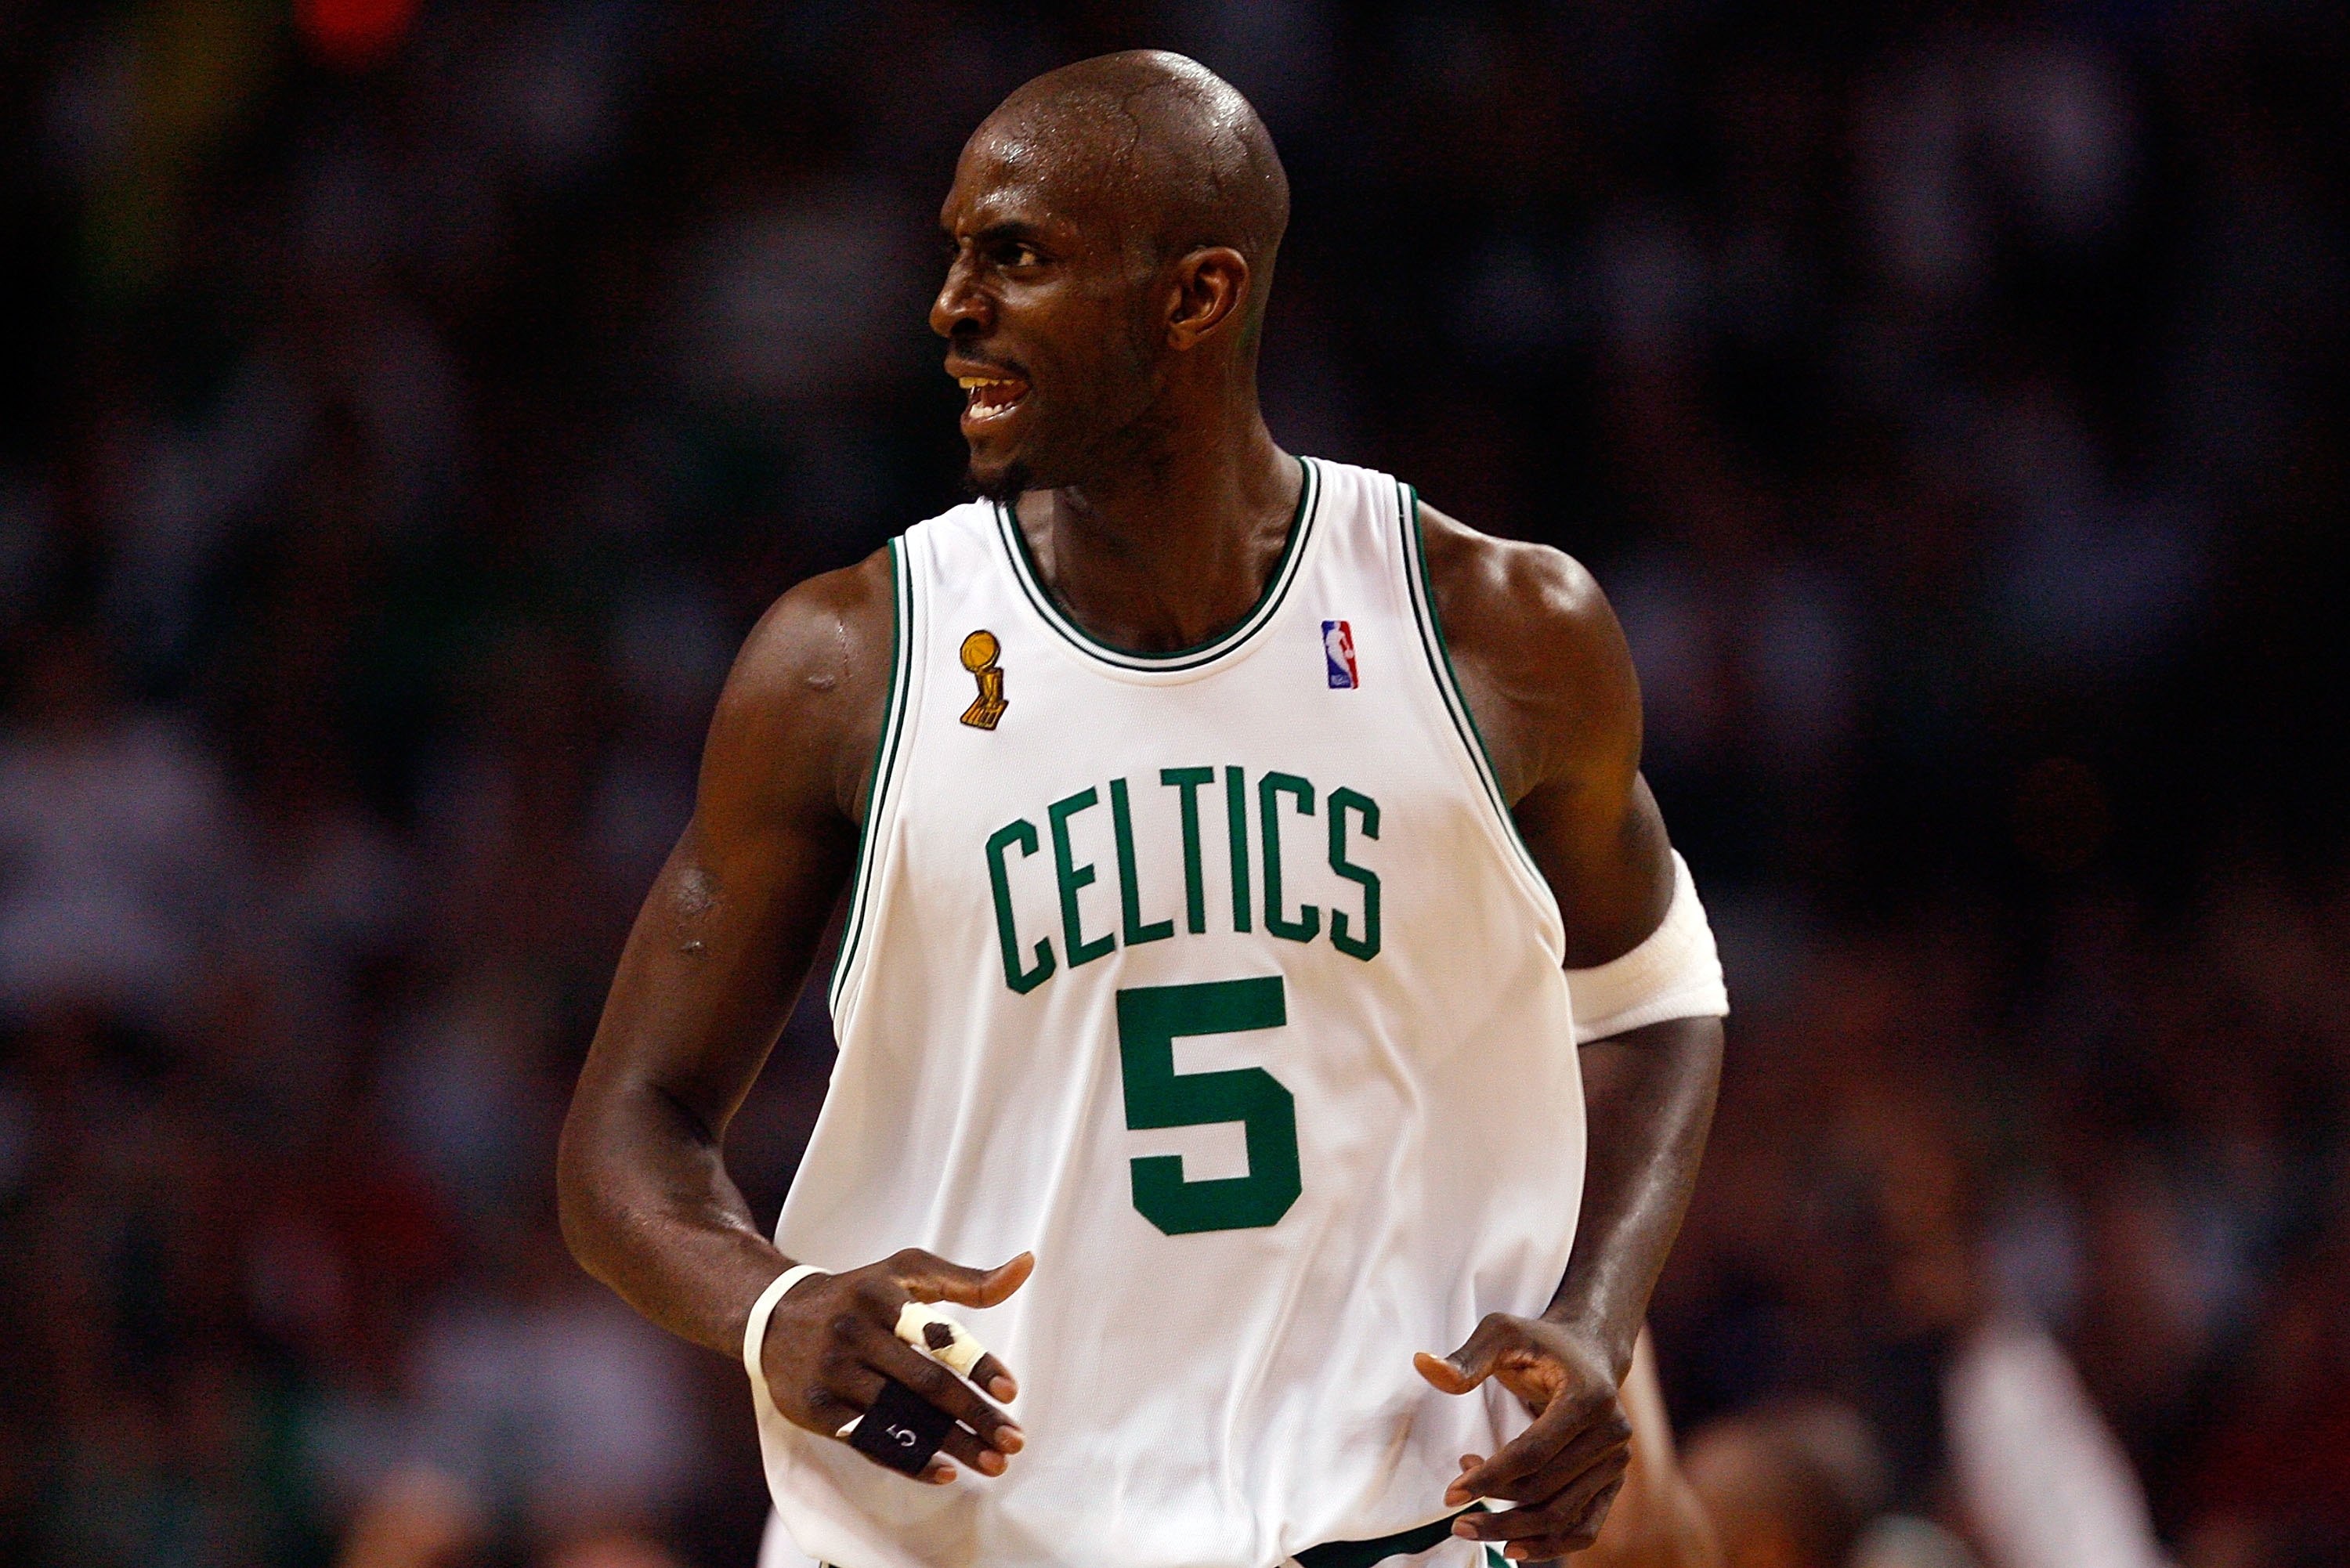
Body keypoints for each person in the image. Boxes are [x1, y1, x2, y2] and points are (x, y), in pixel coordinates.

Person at [558, 51, 1727, 1568]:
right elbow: (622, 1136)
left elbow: (1654, 996)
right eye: (954, 250)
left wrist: (1595, 1313)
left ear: (1197, 297)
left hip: (1380, 1529)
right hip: (954, 1538)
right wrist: (770, 1302)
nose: (949, 305)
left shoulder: (1500, 632)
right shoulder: (849, 664)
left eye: (1017, 255)